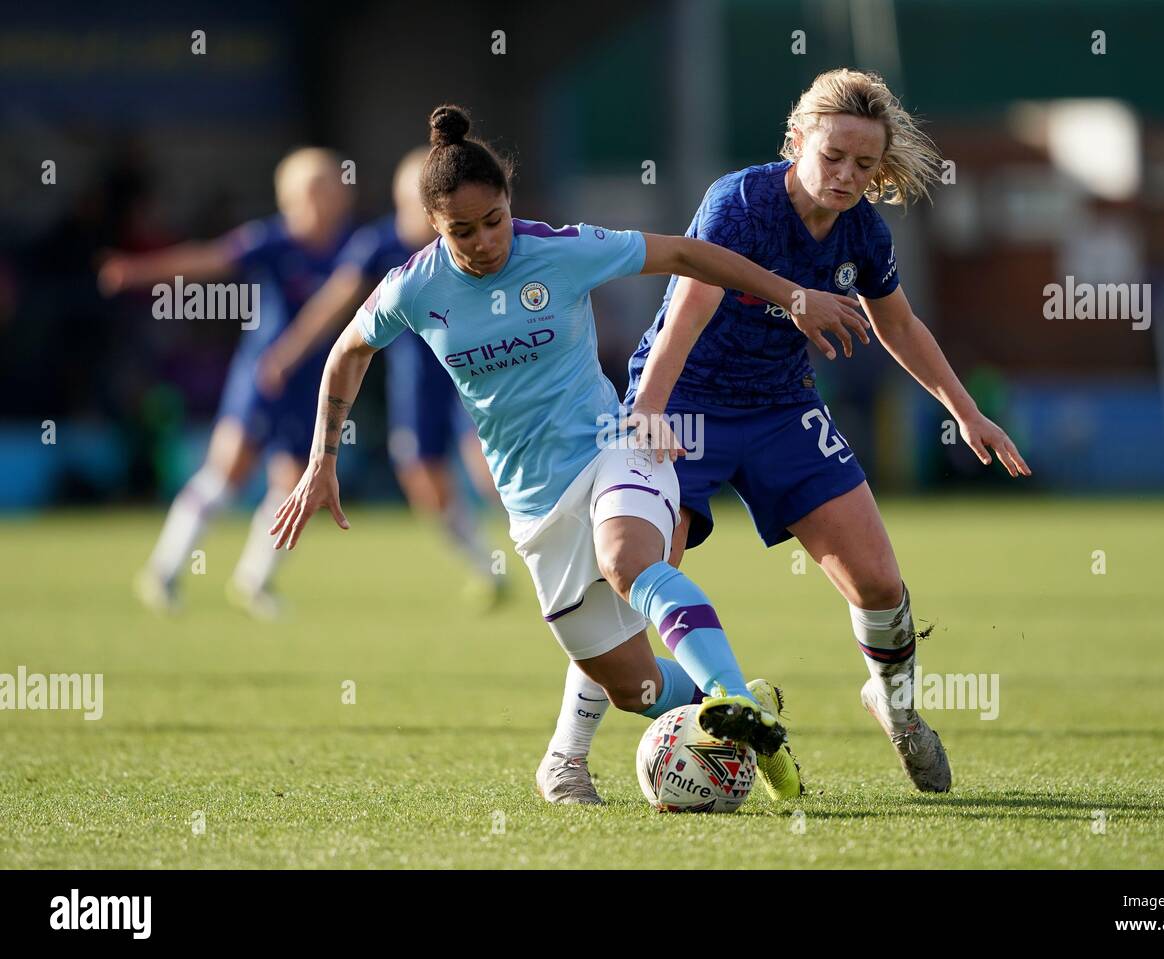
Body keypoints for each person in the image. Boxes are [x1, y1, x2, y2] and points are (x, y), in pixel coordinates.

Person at [269, 104, 868, 802]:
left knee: (627, 559)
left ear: (509, 201)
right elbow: (346, 351)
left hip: (616, 448)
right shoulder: (414, 286)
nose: (485, 240)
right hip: (534, 505)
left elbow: (683, 252)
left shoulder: (560, 249)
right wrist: (323, 459)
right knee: (634, 687)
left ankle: (736, 699)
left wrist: (793, 295)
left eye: (493, 219)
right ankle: (727, 695)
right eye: (462, 231)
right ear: (433, 225)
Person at [539, 68, 1032, 802]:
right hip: (685, 403)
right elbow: (688, 311)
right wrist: (648, 408)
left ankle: (896, 712)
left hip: (780, 410)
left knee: (878, 579)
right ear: (796, 138)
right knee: (638, 579)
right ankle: (566, 758)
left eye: (865, 165)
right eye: (833, 156)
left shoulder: (862, 228)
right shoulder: (740, 202)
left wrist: (963, 409)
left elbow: (896, 322)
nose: (847, 176)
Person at [99, 148, 355, 619]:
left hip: (316, 385)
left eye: (334, 184)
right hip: (266, 376)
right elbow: (209, 260)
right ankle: (165, 570)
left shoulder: (351, 246)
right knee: (228, 472)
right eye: (317, 186)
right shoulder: (272, 241)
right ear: (291, 196)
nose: (330, 194)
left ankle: (253, 580)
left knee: (294, 483)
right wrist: (138, 271)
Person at [256, 148, 503, 607]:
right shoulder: (379, 245)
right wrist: (288, 352)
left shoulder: (469, 239)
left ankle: (542, 552)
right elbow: (334, 302)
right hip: (417, 379)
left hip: (477, 369)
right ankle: (487, 568)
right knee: (420, 477)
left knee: (486, 469)